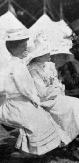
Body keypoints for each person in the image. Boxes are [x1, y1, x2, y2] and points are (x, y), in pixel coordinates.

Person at [26, 33, 79, 160]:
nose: (49, 54)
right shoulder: (33, 69)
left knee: (77, 104)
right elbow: (41, 92)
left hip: (56, 96)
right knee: (71, 108)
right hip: (45, 101)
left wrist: (57, 87)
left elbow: (58, 83)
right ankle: (76, 143)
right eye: (46, 52)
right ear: (39, 55)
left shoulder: (49, 66)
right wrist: (56, 88)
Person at [0, 28, 64, 158]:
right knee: (40, 116)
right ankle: (28, 152)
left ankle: (32, 149)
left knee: (41, 115)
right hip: (15, 105)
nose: (26, 48)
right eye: (24, 46)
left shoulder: (12, 63)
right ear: (16, 47)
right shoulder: (16, 66)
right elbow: (26, 89)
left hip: (16, 101)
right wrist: (35, 100)